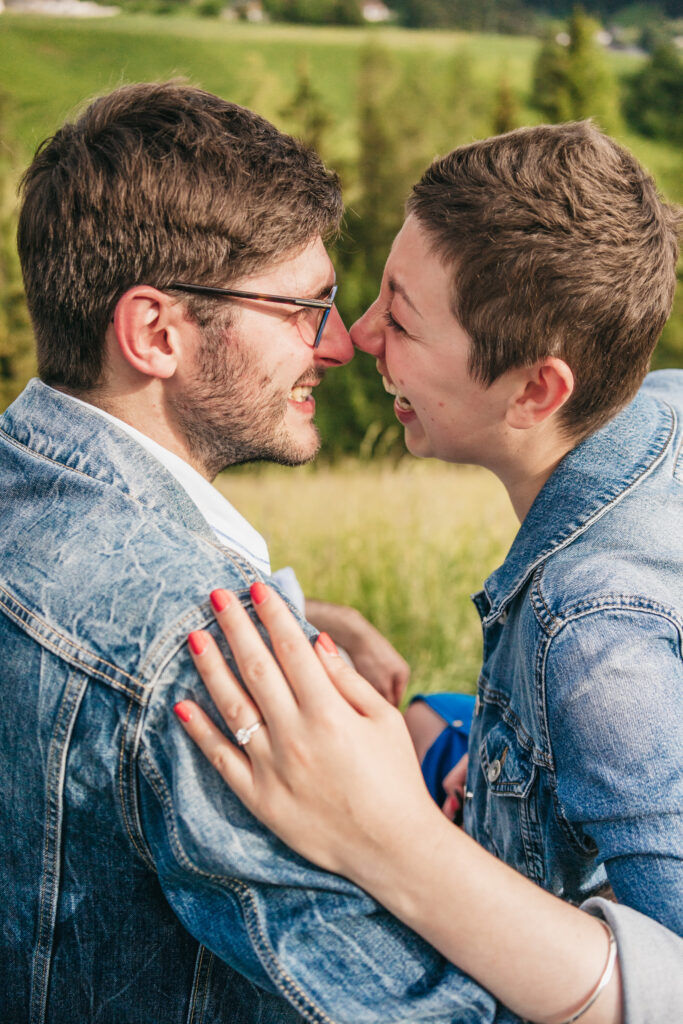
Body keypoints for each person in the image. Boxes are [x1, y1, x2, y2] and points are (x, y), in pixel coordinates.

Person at [0, 82, 503, 1024]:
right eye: (300, 309)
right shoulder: (208, 655)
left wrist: (297, 618)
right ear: (156, 333)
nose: (339, 345)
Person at [175, 122, 683, 1024]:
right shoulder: (655, 401)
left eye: (401, 319)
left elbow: (664, 983)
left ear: (536, 391)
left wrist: (394, 840)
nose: (358, 335)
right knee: (424, 724)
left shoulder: (595, 640)